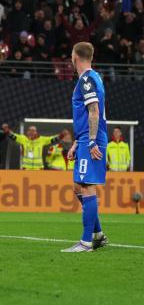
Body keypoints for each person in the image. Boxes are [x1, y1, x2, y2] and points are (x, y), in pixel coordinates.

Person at [62, 42, 109, 252]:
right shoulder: (93, 77)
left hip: (92, 139)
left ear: (75, 57)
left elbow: (94, 112)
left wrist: (90, 142)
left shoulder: (87, 79)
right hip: (84, 139)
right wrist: (77, 142)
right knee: (77, 186)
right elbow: (86, 115)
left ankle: (86, 242)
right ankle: (98, 234)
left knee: (87, 185)